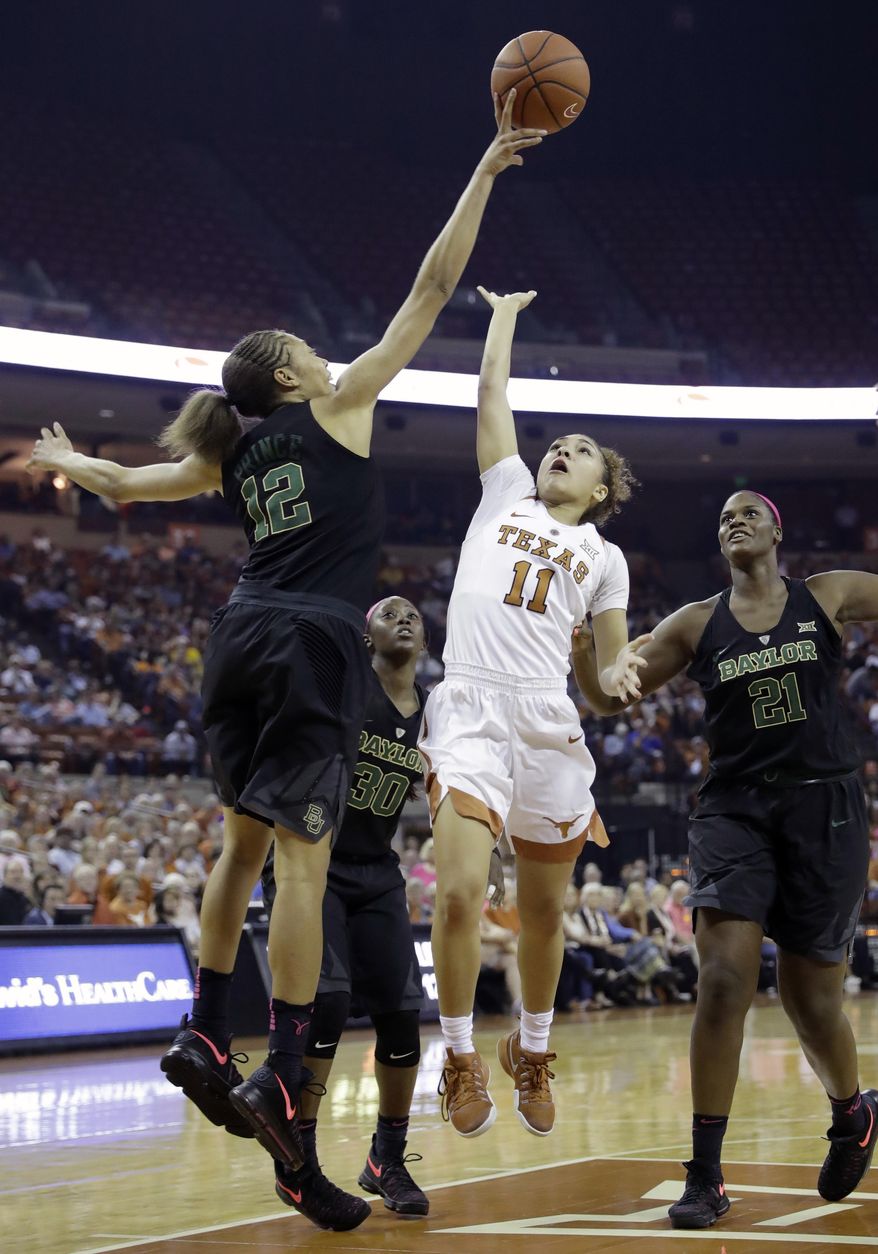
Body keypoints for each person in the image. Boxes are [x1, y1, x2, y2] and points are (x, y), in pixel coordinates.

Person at [27, 92, 543, 1215]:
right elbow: (429, 290)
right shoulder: (342, 405)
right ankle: (281, 1065)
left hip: (236, 635)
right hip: (311, 637)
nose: (325, 351)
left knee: (241, 848)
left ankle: (205, 1029)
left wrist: (77, 462)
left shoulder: (239, 451)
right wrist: (485, 172)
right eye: (309, 349)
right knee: (299, 866)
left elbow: (135, 483)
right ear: (296, 374)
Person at [574, 489, 878, 1228]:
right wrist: (588, 659)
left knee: (813, 1000)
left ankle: (851, 1114)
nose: (733, 521)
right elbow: (616, 694)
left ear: (778, 529)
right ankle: (704, 1175)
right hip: (735, 809)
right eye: (722, 519)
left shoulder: (827, 594)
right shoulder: (695, 622)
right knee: (722, 980)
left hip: (826, 809)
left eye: (748, 512)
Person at [419, 286, 640, 1139]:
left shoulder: (605, 557)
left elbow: (607, 671)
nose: (562, 452)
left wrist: (614, 677)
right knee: (461, 895)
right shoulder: (504, 490)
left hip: (550, 718)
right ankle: (462, 1056)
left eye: (582, 452)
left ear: (601, 487)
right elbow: (491, 398)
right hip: (471, 701)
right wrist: (503, 319)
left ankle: (533, 1049)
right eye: (560, 443)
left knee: (544, 910)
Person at [260, 597, 429, 1226]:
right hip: (314, 865)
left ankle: (386, 1156)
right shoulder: (343, 693)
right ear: (366, 639)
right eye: (388, 614)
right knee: (326, 1003)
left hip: (376, 870)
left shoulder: (436, 714)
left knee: (404, 1018)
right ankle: (298, 1154)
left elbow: (460, 782)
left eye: (413, 613)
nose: (404, 619)